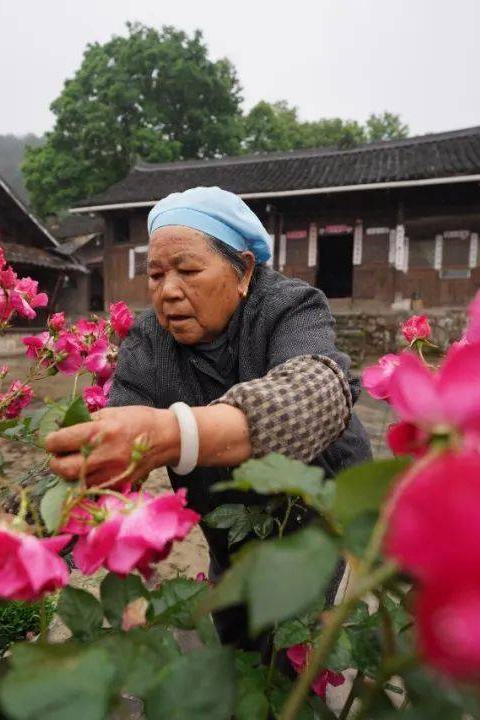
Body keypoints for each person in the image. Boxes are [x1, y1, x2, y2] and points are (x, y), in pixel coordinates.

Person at [45, 186, 372, 644]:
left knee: (295, 649)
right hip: (226, 523)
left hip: (316, 517)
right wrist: (13, 542)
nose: (168, 292)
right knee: (235, 633)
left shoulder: (289, 307)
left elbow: (319, 390)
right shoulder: (149, 341)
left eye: (188, 270)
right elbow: (106, 450)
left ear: (244, 271)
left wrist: (172, 432)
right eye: (156, 275)